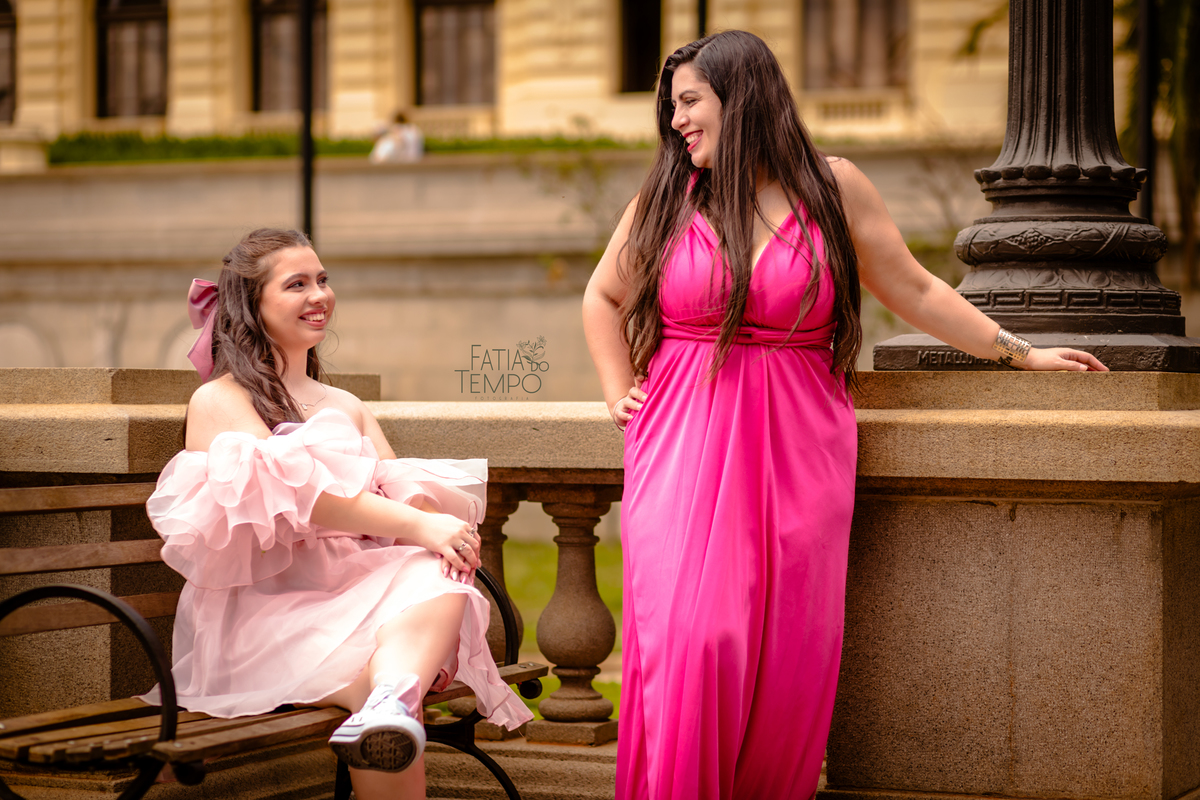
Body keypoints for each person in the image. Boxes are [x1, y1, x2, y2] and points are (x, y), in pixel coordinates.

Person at [581, 31, 1107, 800]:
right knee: (695, 642)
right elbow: (601, 296)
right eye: (671, 106)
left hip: (800, 448)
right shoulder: (668, 197)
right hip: (682, 443)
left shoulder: (833, 189)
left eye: (689, 101)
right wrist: (614, 383)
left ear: (743, 94)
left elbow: (917, 289)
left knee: (787, 659)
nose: (676, 120)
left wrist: (1020, 352)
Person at [142, 228, 532, 800]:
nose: (318, 295)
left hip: (345, 595)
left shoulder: (345, 405)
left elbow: (391, 493)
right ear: (251, 306)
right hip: (265, 608)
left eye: (322, 279)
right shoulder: (222, 400)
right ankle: (391, 697)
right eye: (296, 284)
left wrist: (432, 519)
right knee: (412, 612)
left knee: (437, 579)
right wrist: (423, 526)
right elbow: (305, 499)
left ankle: (387, 702)